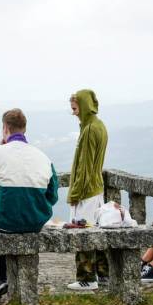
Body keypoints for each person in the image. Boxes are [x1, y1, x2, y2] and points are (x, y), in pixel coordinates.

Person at [0, 109, 59, 298]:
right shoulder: (44, 158)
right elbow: (52, 196)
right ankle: (10, 280)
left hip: (4, 222)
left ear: (5, 128)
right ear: (25, 129)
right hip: (35, 222)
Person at [66, 89, 109, 291]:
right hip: (96, 188)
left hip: (86, 191)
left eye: (75, 108)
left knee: (83, 235)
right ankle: (103, 274)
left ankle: (86, 278)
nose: (74, 113)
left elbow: (84, 166)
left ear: (83, 106)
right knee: (97, 234)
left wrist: (75, 194)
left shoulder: (90, 130)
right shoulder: (100, 126)